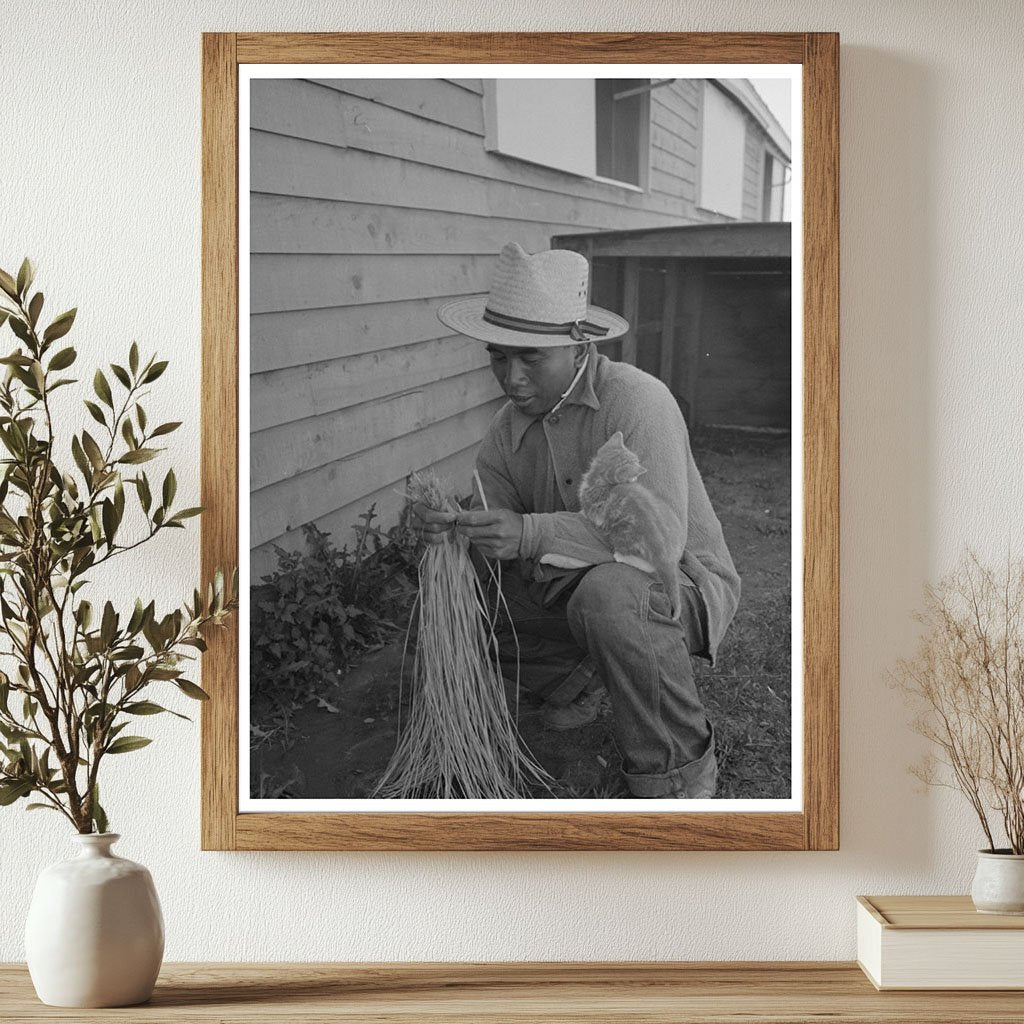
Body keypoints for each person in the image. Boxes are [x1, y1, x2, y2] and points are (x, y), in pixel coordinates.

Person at [412, 242, 740, 799]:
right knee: (453, 572)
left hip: (672, 586)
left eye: (531, 359)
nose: (511, 378)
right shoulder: (504, 430)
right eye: (498, 356)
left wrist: (530, 533)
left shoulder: (639, 401)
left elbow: (655, 541)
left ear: (580, 347)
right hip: (566, 584)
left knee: (611, 595)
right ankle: (574, 683)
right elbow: (501, 520)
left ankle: (679, 770)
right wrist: (457, 527)